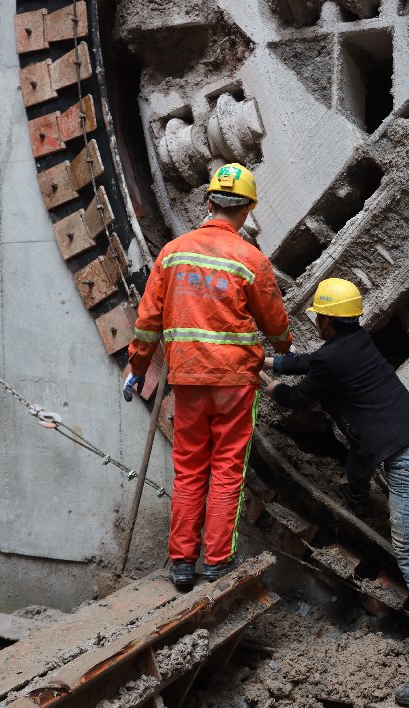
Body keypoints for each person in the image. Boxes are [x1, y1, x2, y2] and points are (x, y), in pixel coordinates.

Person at [263, 278, 409, 706]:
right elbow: (314, 362)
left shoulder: (334, 356)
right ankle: (354, 498)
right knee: (357, 452)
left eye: (318, 314)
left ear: (327, 319)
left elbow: (297, 398)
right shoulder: (354, 342)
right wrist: (268, 360)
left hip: (406, 458)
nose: (314, 320)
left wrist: (268, 383)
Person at [124, 163, 292, 586]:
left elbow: (147, 321)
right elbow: (277, 331)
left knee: (190, 469)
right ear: (249, 208)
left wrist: (137, 368)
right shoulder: (251, 259)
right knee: (227, 469)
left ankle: (181, 564)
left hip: (189, 380)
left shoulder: (174, 252)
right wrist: (285, 346)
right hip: (235, 383)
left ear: (208, 200)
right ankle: (217, 562)